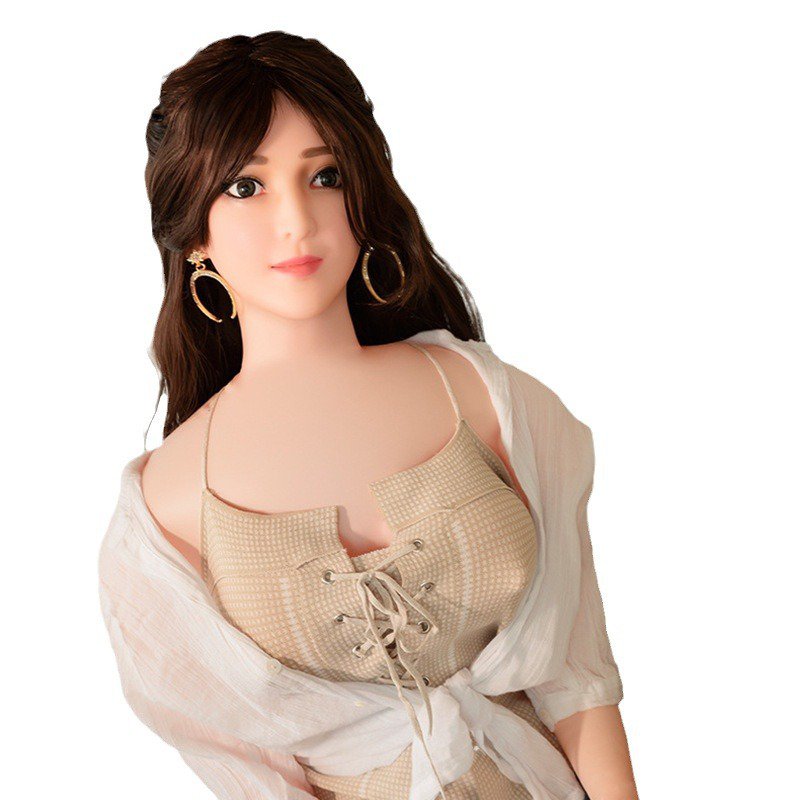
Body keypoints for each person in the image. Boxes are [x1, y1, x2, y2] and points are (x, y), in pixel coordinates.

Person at [98, 31, 638, 800]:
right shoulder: (167, 508)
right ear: (193, 236)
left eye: (324, 175)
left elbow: (578, 677)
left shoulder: (488, 399)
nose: (296, 218)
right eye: (246, 187)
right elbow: (254, 776)